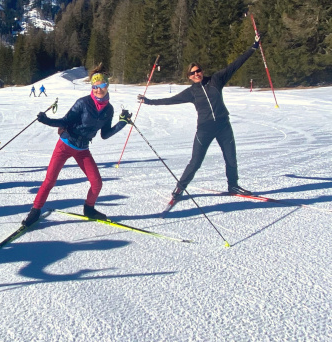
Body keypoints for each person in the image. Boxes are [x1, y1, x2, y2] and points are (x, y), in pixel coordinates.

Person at [138, 35, 261, 199]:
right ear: (189, 76)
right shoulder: (191, 92)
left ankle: (233, 185)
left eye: (198, 71)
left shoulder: (216, 80)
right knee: (195, 161)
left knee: (231, 158)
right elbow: (170, 100)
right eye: (193, 73)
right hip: (205, 129)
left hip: (224, 125)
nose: (197, 74)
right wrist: (149, 101)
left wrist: (253, 47)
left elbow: (235, 65)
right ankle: (180, 188)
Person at [22, 64, 133, 226]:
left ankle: (89, 208)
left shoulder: (109, 110)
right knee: (50, 180)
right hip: (65, 145)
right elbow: (66, 121)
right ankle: (35, 210)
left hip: (83, 149)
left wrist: (122, 123)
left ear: (107, 86)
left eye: (101, 85)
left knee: (97, 183)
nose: (98, 89)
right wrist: (47, 121)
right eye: (95, 86)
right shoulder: (83, 103)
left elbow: (105, 134)